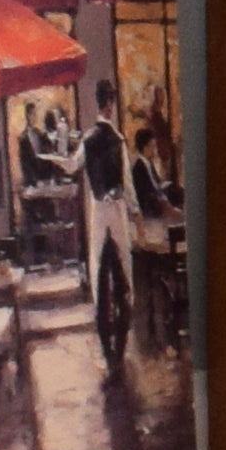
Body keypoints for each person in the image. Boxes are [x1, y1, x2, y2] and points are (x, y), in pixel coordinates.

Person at [77, 79, 143, 368]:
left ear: (97, 102)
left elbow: (71, 165)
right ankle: (118, 350)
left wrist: (53, 157)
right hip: (115, 215)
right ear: (110, 104)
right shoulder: (117, 140)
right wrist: (136, 215)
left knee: (100, 280)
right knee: (123, 280)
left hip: (98, 216)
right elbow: (127, 187)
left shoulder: (88, 140)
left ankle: (108, 350)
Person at [131, 128, 182, 219]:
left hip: (155, 196)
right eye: (153, 146)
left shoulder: (149, 162)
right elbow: (146, 192)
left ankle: (179, 213)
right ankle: (177, 215)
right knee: (165, 201)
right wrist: (160, 192)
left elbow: (155, 182)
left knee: (179, 191)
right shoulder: (138, 167)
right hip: (148, 204)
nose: (155, 149)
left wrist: (162, 185)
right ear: (145, 147)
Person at [18, 102, 50, 187]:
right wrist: (34, 181)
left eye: (36, 114)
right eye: (33, 114)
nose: (35, 117)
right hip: (31, 181)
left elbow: (48, 151)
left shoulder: (39, 133)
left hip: (43, 178)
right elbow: (24, 163)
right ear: (28, 115)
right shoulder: (23, 138)